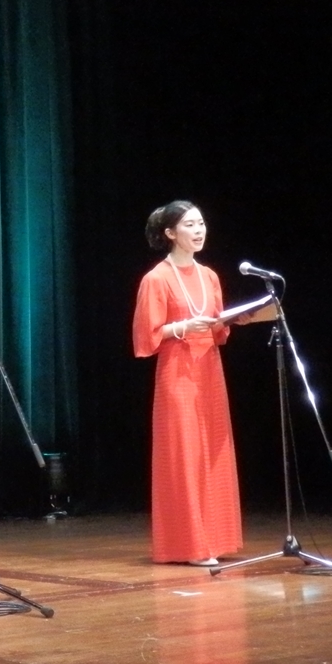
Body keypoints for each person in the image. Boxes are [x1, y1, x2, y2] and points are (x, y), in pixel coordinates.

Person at [132, 200, 243, 567]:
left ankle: (216, 538)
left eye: (201, 223)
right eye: (190, 225)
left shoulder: (209, 275)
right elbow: (146, 335)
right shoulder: (156, 278)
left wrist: (234, 320)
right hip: (177, 371)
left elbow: (218, 328)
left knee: (214, 450)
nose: (199, 231)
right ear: (170, 233)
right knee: (184, 453)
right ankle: (189, 544)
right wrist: (182, 327)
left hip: (209, 369)